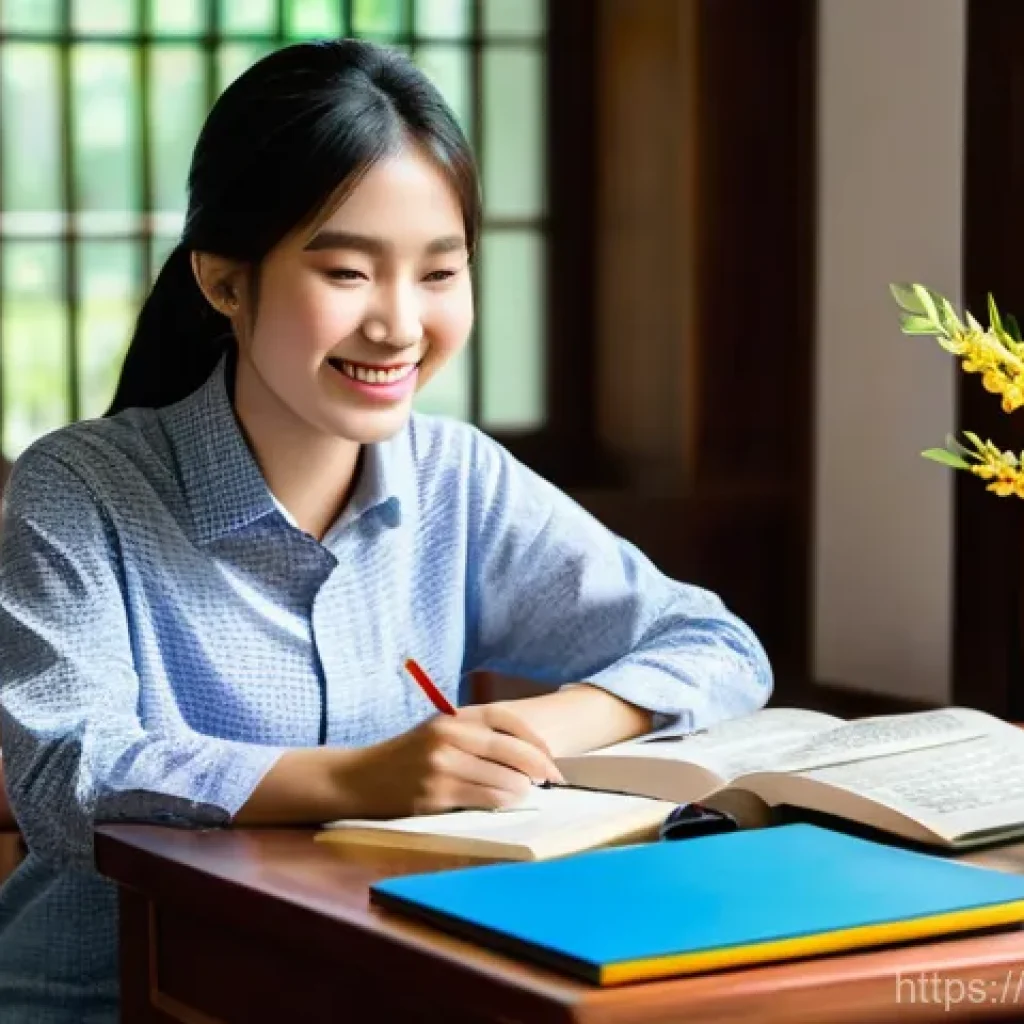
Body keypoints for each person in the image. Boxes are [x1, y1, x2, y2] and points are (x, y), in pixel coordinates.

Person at [0, 40, 771, 1023]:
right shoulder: (82, 485)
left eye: (440, 272)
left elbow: (713, 645)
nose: (400, 325)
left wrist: (521, 735)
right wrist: (365, 777)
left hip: (373, 981)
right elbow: (68, 774)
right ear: (225, 280)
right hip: (101, 998)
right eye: (349, 272)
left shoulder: (458, 478)